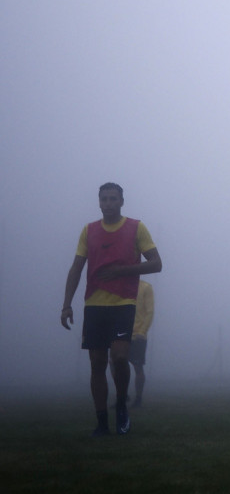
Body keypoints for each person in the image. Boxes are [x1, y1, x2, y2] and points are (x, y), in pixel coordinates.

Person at [60, 182, 163, 436]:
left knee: (118, 357)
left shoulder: (136, 227)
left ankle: (121, 407)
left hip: (123, 303)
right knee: (96, 363)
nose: (108, 203)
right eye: (104, 199)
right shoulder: (89, 230)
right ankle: (102, 422)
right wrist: (66, 305)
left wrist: (122, 271)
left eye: (113, 199)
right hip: (94, 304)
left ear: (121, 202)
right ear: (98, 202)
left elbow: (157, 264)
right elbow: (76, 268)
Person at [129, 279, 154, 408]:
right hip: (121, 333)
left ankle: (138, 398)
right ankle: (121, 396)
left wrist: (142, 331)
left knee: (137, 367)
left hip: (138, 335)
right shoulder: (122, 286)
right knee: (114, 363)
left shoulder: (145, 287)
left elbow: (150, 311)